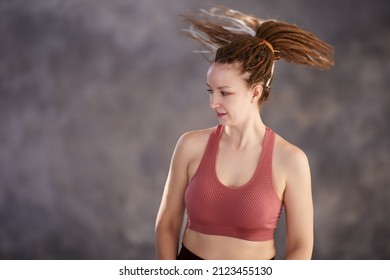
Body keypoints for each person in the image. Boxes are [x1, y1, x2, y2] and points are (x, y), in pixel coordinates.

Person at [155, 6, 334, 260]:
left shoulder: (291, 160)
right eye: (211, 91)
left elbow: (300, 247)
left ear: (255, 92)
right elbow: (167, 224)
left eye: (224, 93)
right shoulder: (190, 145)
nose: (213, 102)